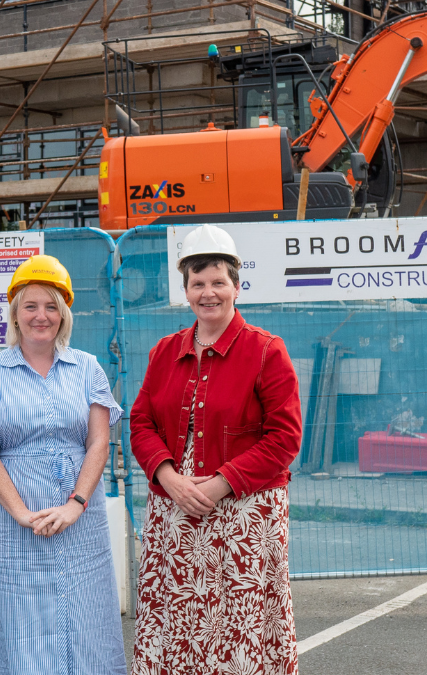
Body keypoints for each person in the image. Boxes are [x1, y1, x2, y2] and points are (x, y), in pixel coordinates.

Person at [130, 224, 302, 674]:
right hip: (175, 506)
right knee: (179, 617)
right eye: (198, 283)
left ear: (237, 287)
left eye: (218, 282)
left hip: (245, 511)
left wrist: (222, 484)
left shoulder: (267, 351)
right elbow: (141, 422)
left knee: (237, 623)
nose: (209, 293)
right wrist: (168, 476)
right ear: (186, 290)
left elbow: (285, 437)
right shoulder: (164, 352)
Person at [0, 254, 127, 674]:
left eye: (51, 306)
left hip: (81, 520)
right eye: (30, 306)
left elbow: (99, 443)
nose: (40, 316)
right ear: (15, 312)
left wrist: (75, 504)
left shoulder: (87, 368)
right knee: (24, 624)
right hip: (14, 524)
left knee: (88, 620)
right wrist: (23, 514)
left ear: (64, 313)